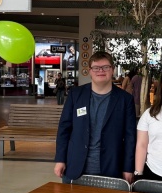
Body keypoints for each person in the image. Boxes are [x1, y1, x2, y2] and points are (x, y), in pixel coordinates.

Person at [54, 51, 137, 183]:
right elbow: (64, 128)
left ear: (112, 70)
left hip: (111, 168)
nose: (101, 71)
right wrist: (60, 159)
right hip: (75, 166)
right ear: (90, 71)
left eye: (105, 67)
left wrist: (128, 167)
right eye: (96, 68)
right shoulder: (76, 94)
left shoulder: (125, 99)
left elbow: (130, 137)